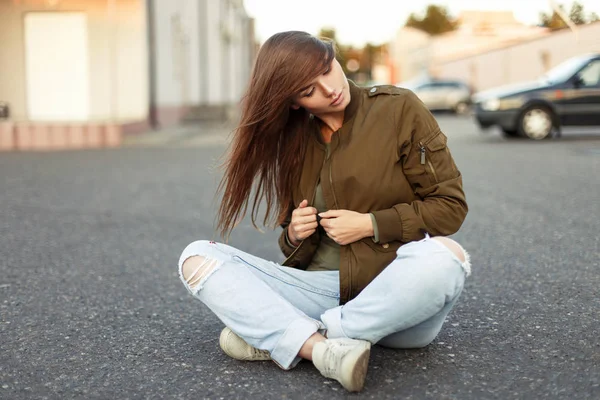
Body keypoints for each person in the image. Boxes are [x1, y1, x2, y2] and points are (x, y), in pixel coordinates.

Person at [177, 31, 470, 392]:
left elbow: (450, 207)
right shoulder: (293, 141)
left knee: (447, 258)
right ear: (295, 102)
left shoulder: (398, 109)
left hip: (393, 293)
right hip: (319, 287)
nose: (330, 89)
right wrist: (294, 234)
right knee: (196, 257)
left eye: (327, 69)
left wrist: (370, 224)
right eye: (308, 90)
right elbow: (290, 246)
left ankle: (294, 335)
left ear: (334, 58)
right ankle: (323, 352)